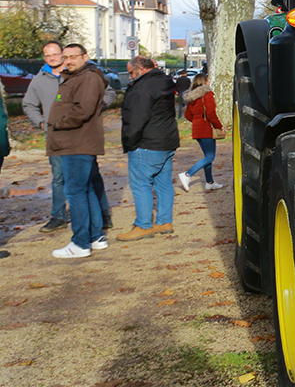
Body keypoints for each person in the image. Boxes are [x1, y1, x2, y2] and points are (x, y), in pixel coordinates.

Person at [22, 40, 115, 232]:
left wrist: (94, 109)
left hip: (81, 135)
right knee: (59, 177)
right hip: (56, 136)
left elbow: (108, 93)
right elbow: (28, 104)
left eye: (55, 54)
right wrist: (41, 123)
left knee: (91, 176)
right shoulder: (39, 79)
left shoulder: (81, 75)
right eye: (47, 56)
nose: (52, 58)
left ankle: (102, 215)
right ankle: (58, 216)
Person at [46, 43, 110, 258]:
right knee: (86, 189)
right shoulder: (75, 76)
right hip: (75, 142)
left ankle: (80, 243)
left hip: (77, 142)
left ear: (85, 56)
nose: (69, 61)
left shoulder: (88, 77)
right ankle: (96, 237)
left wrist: (58, 123)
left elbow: (83, 109)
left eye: (74, 57)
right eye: (66, 57)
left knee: (74, 191)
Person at [117, 55, 180, 240]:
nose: (130, 77)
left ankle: (143, 225)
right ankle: (164, 221)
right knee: (164, 183)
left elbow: (136, 119)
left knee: (140, 184)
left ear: (141, 69)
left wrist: (130, 142)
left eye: (131, 73)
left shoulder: (142, 88)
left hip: (147, 143)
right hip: (167, 141)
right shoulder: (164, 81)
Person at [180, 73, 225, 191]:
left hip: (197, 129)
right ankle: (187, 174)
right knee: (210, 157)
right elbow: (211, 113)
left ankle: (210, 182)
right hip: (206, 128)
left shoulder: (192, 96)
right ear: (205, 81)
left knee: (207, 156)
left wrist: (197, 120)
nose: (209, 81)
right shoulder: (207, 93)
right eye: (208, 79)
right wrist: (219, 127)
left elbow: (187, 115)